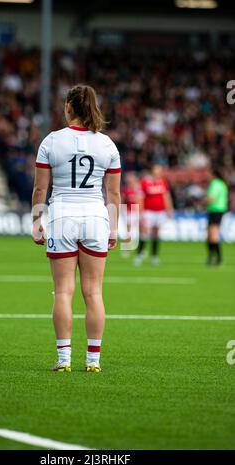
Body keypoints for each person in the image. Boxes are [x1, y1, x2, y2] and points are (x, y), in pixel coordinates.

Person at [31, 84, 121, 372]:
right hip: (96, 217)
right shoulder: (107, 144)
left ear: (69, 107)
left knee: (63, 292)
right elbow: (114, 194)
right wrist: (114, 229)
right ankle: (93, 361)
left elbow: (40, 189)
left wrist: (36, 222)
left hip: (62, 217)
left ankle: (64, 359)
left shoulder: (52, 141)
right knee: (94, 293)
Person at [134, 164, 173, 266]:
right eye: (157, 171)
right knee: (144, 233)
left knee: (156, 234)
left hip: (160, 212)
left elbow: (166, 197)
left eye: (160, 171)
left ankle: (154, 256)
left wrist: (169, 209)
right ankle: (139, 255)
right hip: (148, 212)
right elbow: (140, 198)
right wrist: (141, 212)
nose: (158, 173)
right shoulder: (145, 182)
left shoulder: (162, 182)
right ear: (152, 171)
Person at [206, 167, 228, 266]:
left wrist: (202, 203)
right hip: (221, 210)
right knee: (211, 235)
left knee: (212, 235)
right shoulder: (223, 184)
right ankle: (214, 257)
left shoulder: (215, 184)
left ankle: (216, 258)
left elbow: (211, 198)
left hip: (214, 210)